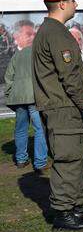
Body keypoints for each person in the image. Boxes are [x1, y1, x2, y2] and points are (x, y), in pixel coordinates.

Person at [32, 0, 83, 231]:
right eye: (74, 0)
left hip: (64, 107)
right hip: (63, 108)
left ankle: (79, 207)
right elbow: (70, 76)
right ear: (62, 3)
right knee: (66, 161)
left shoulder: (53, 31)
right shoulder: (55, 33)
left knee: (75, 159)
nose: (77, 4)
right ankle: (64, 213)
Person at [5, 20, 49, 172]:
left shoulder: (17, 55)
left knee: (21, 129)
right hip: (34, 96)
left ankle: (21, 160)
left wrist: (10, 95)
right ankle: (40, 162)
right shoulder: (41, 53)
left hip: (18, 98)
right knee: (40, 129)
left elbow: (8, 77)